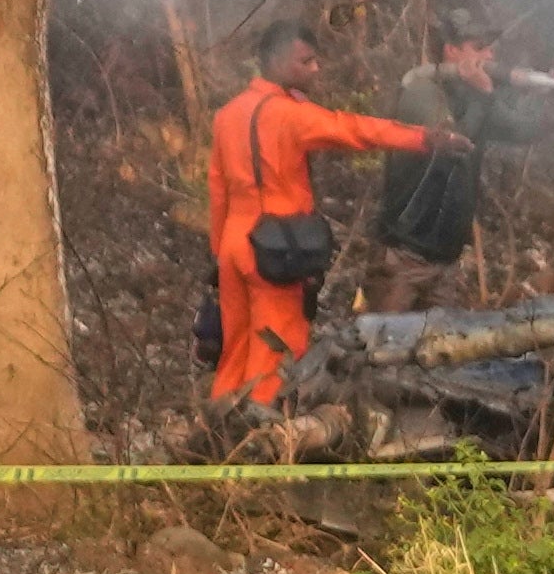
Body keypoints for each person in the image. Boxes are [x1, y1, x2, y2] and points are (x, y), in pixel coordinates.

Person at [205, 22, 489, 410]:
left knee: (235, 347)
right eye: (306, 61)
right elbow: (356, 130)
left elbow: (217, 188)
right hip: (276, 248)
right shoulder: (290, 115)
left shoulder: (228, 114)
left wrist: (218, 253)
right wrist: (426, 138)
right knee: (278, 349)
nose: (316, 69)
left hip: (234, 245)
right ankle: (263, 444)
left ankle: (217, 430)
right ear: (275, 62)